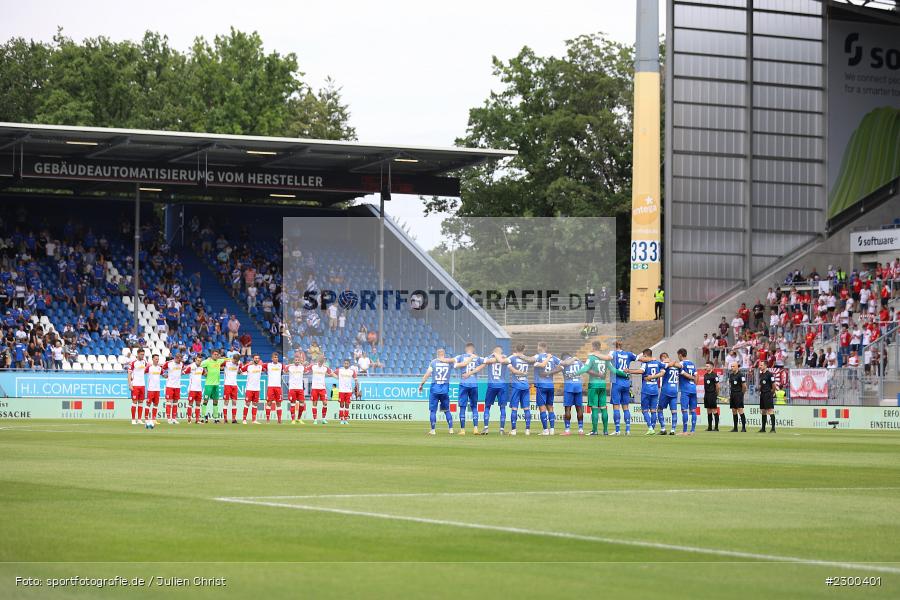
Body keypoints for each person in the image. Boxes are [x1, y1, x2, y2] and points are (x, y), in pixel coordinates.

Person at [578, 341, 614, 436]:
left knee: (594, 408)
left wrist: (575, 373)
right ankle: (605, 431)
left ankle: (595, 430)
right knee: (603, 408)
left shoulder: (591, 357)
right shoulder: (605, 358)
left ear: (593, 347)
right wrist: (624, 374)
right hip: (602, 385)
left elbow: (585, 369)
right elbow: (613, 370)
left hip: (593, 385)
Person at [626, 349, 663, 435]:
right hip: (655, 389)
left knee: (644, 410)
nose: (642, 357)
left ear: (645, 355)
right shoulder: (657, 363)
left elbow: (641, 371)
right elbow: (663, 370)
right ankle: (652, 428)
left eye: (643, 356)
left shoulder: (645, 363)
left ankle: (650, 428)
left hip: (646, 389)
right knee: (653, 410)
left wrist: (629, 371)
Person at [419, 348, 455, 435]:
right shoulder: (449, 363)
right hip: (444, 390)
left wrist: (421, 384)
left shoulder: (433, 362)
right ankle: (451, 429)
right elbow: (457, 362)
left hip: (434, 390)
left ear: (437, 354)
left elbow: (427, 374)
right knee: (446, 410)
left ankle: (433, 430)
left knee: (433, 411)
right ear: (444, 354)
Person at [476, 346, 509, 435]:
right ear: (501, 352)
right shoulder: (505, 358)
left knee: (487, 406)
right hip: (502, 385)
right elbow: (505, 361)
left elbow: (481, 361)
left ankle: (486, 428)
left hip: (491, 385)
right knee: (502, 407)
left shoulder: (489, 358)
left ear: (494, 352)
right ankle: (501, 429)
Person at [609, 341, 637, 435]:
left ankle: (617, 430)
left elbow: (607, 359)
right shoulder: (628, 354)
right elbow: (639, 358)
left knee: (616, 406)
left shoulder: (612, 353)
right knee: (626, 407)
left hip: (617, 383)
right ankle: (628, 430)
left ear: (614, 346)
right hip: (626, 383)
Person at [452, 343, 481, 435]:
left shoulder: (460, 356)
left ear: (466, 349)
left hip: (464, 384)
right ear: (473, 349)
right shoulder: (477, 358)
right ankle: (475, 429)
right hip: (474, 384)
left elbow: (454, 365)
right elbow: (486, 363)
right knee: (474, 406)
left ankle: (463, 430)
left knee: (462, 407)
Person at [532, 342, 560, 435]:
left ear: (539, 347)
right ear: (546, 348)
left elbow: (539, 364)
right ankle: (552, 429)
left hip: (541, 386)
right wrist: (550, 372)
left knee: (542, 407)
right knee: (550, 407)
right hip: (550, 386)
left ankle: (545, 430)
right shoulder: (553, 357)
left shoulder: (537, 357)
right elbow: (562, 366)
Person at [507, 344, 534, 435]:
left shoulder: (512, 358)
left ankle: (514, 430)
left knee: (514, 408)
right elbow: (533, 360)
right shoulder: (527, 359)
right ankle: (527, 430)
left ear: (515, 348)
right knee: (526, 408)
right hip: (525, 385)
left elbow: (509, 366)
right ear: (524, 349)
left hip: (516, 386)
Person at [557, 352, 585, 435]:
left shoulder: (564, 363)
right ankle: (580, 430)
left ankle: (567, 430)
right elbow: (584, 370)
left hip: (569, 386)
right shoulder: (579, 362)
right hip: (578, 386)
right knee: (579, 408)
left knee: (567, 408)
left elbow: (559, 368)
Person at [657, 352, 681, 436]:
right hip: (674, 390)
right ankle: (673, 430)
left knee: (659, 409)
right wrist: (673, 361)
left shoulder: (665, 365)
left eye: (661, 359)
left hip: (666, 390)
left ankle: (663, 429)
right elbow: (680, 366)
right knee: (674, 411)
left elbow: (662, 372)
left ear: (664, 357)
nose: (661, 361)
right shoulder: (676, 366)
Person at [200, 350, 226, 424]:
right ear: (211, 355)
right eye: (214, 354)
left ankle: (216, 418)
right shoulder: (207, 361)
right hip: (208, 384)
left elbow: (227, 360)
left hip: (216, 385)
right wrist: (205, 370)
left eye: (217, 354)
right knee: (205, 400)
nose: (216, 355)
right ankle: (202, 417)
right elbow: (200, 364)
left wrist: (222, 358)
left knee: (216, 401)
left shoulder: (219, 361)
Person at [677, 348, 698, 435]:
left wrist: (690, 377)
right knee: (693, 410)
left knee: (684, 410)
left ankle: (685, 431)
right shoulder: (692, 364)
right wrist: (694, 382)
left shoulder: (682, 363)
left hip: (685, 389)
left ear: (680, 355)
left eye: (678, 355)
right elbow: (696, 377)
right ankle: (692, 430)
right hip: (693, 388)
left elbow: (682, 371)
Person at [240, 355, 264, 424]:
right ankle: (244, 419)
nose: (257, 359)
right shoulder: (249, 366)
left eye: (258, 358)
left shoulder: (260, 366)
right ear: (253, 359)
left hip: (257, 388)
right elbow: (241, 370)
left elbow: (266, 367)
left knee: (255, 404)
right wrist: (248, 363)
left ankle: (254, 420)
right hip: (249, 388)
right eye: (255, 358)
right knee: (247, 403)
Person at [307, 356, 331, 424]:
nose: (321, 361)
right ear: (318, 360)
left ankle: (323, 419)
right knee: (315, 403)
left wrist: (337, 377)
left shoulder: (325, 368)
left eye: (322, 360)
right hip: (315, 388)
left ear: (324, 361)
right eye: (320, 360)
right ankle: (315, 419)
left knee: (325, 403)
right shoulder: (313, 366)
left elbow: (331, 373)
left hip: (322, 388)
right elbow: (305, 370)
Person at [162, 352, 184, 425]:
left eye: (181, 360)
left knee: (175, 402)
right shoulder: (169, 363)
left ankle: (174, 418)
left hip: (177, 386)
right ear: (176, 358)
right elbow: (162, 368)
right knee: (169, 402)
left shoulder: (181, 364)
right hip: (170, 385)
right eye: (179, 360)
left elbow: (182, 369)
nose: (180, 361)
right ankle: (169, 419)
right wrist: (163, 374)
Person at [127, 348, 148, 425]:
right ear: (138, 354)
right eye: (141, 354)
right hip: (135, 385)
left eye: (143, 354)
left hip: (142, 385)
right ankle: (133, 419)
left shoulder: (144, 362)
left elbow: (146, 369)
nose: (143, 356)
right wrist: (130, 384)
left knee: (141, 402)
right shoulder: (133, 363)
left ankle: (139, 419)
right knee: (134, 402)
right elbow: (129, 374)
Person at [336, 358, 358, 425]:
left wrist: (356, 388)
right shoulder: (340, 370)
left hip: (349, 390)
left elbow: (356, 380)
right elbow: (332, 373)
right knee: (341, 404)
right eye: (345, 363)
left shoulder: (352, 371)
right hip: (341, 390)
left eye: (347, 363)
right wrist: (337, 377)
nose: (346, 364)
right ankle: (341, 419)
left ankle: (345, 419)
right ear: (343, 364)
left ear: (349, 364)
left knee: (347, 405)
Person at [757, 361, 777, 433]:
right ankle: (763, 428)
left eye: (761, 365)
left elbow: (774, 385)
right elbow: (761, 384)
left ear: (765, 366)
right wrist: (759, 389)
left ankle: (773, 429)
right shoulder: (761, 374)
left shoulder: (770, 374)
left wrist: (772, 393)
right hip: (762, 394)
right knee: (763, 411)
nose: (760, 366)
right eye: (760, 365)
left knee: (770, 411)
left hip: (768, 394)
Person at [264, 352, 284, 424]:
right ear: (272, 358)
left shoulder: (281, 365)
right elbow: (259, 364)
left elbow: (287, 368)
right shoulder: (268, 365)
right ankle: (268, 420)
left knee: (278, 403)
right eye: (274, 357)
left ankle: (279, 420)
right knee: (269, 403)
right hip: (271, 386)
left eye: (277, 357)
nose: (276, 358)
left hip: (278, 387)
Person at [727, 362, 747, 432]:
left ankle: (743, 428)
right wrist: (730, 395)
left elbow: (744, 386)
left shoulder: (741, 375)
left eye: (733, 366)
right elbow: (730, 385)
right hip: (732, 394)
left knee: (740, 410)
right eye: (731, 366)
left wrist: (742, 394)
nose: (732, 368)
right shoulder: (731, 375)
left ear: (737, 367)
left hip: (738, 394)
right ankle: (735, 428)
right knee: (734, 411)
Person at [144, 354, 163, 427]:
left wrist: (167, 375)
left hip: (157, 389)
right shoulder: (149, 367)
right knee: (148, 404)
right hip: (151, 389)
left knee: (156, 404)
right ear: (152, 359)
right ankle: (146, 419)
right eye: (156, 359)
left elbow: (163, 374)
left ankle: (153, 419)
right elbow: (143, 372)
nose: (157, 360)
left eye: (158, 359)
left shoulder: (159, 368)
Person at [287, 354, 307, 424]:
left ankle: (299, 418)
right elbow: (285, 370)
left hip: (300, 388)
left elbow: (306, 371)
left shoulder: (302, 367)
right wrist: (289, 365)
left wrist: (304, 364)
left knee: (302, 403)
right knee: (293, 403)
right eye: (296, 360)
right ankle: (293, 419)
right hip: (292, 388)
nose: (297, 361)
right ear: (294, 361)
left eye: (298, 360)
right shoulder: (290, 367)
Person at [222, 355, 241, 424]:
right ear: (233, 359)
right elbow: (219, 363)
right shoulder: (227, 362)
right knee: (226, 401)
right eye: (235, 361)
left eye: (237, 361)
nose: (236, 362)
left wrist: (239, 370)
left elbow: (240, 370)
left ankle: (234, 419)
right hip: (227, 384)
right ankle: (225, 419)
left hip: (234, 385)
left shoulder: (239, 363)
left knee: (234, 402)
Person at [702, 361, 720, 431]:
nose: (706, 367)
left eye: (707, 366)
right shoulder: (705, 375)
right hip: (707, 394)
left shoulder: (714, 375)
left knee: (714, 410)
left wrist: (716, 394)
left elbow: (718, 386)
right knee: (708, 411)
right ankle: (709, 427)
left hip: (712, 394)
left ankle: (716, 427)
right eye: (706, 366)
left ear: (711, 367)